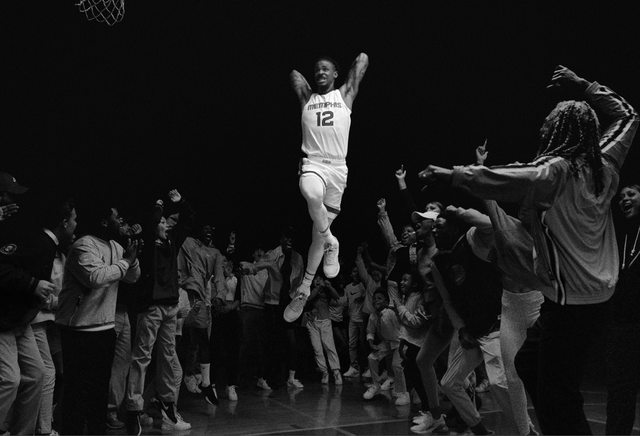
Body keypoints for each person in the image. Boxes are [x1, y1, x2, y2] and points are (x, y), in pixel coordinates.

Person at [419, 65, 639, 435]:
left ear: (563, 129)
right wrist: (584, 85)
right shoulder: (606, 161)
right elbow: (629, 115)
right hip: (593, 297)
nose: (543, 126)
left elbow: (518, 176)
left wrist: (455, 174)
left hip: (572, 302)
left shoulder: (558, 170)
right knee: (531, 364)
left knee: (557, 396)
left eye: (550, 121)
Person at [284, 52, 369, 323]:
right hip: (313, 163)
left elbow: (363, 59)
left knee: (317, 237)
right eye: (317, 69)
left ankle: (304, 288)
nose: (320, 72)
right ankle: (332, 240)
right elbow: (293, 74)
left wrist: (343, 75)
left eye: (326, 69)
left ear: (336, 74)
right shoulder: (307, 98)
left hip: (338, 170)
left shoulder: (345, 95)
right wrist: (311, 83)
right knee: (310, 192)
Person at [55, 203, 141, 435]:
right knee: (76, 392)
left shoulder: (115, 245)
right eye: (116, 218)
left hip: (104, 328)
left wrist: (131, 259)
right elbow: (95, 277)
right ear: (104, 222)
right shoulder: (83, 245)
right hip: (79, 330)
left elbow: (132, 277)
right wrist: (125, 262)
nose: (121, 221)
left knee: (99, 392)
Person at [125, 190, 193, 434]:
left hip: (170, 307)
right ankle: (133, 410)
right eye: (163, 222)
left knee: (168, 358)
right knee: (141, 358)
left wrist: (180, 201)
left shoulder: (172, 242)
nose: (166, 225)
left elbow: (188, 220)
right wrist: (157, 207)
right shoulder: (146, 243)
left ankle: (168, 411)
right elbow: (151, 220)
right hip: (151, 307)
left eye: (167, 222)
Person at [0, 173, 55, 436]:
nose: (13, 202)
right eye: (8, 195)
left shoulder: (14, 228)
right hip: (2, 319)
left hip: (17, 317)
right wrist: (33, 284)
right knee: (9, 380)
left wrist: (36, 290)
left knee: (37, 375)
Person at [606, 183, 640, 435]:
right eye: (621, 197)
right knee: (620, 391)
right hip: (622, 325)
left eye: (631, 194)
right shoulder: (618, 234)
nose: (624, 199)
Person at [362, 287, 409, 406]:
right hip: (386, 343)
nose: (376, 301)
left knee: (396, 365)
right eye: (374, 298)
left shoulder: (390, 313)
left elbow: (401, 327)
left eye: (379, 298)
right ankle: (376, 385)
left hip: (398, 342)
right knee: (372, 358)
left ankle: (403, 393)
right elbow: (370, 331)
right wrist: (371, 343)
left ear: (386, 302)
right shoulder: (373, 316)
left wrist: (402, 345)